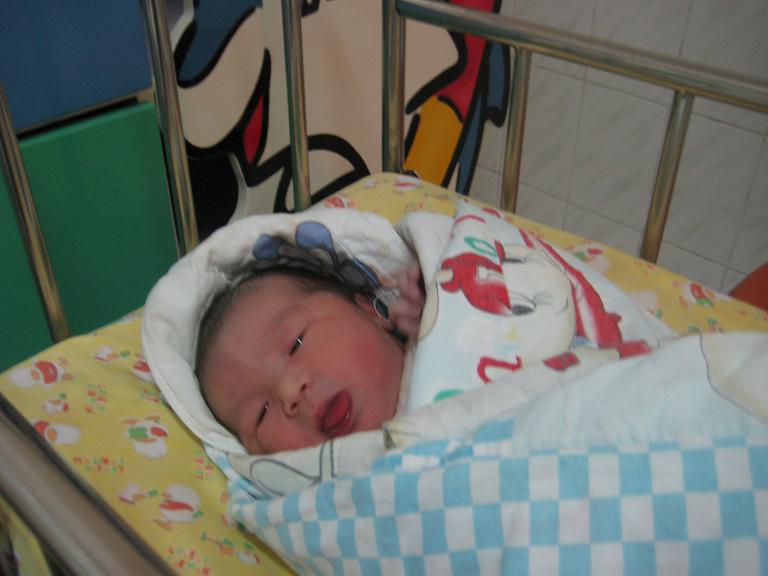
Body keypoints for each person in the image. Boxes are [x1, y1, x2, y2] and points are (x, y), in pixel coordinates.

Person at [194, 262, 425, 455]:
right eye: (261, 414)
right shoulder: (321, 495)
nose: (288, 390)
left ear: (370, 310)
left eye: (296, 344)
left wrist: (435, 305)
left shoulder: (436, 332)